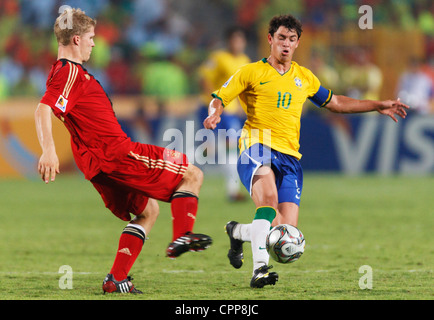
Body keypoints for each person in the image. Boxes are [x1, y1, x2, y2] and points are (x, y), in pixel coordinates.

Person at [203, 14, 409, 288]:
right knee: (268, 199)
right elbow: (219, 98)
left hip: (290, 157)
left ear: (298, 43)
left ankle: (238, 232)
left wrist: (376, 105)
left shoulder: (304, 77)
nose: (285, 44)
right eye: (280, 38)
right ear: (270, 40)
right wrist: (214, 115)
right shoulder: (250, 72)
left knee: (283, 233)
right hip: (257, 144)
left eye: (291, 39)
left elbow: (335, 102)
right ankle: (259, 270)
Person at [35, 8, 212, 294]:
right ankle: (183, 236)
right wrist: (48, 150)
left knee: (148, 211)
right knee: (192, 174)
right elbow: (44, 108)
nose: (94, 43)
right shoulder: (68, 71)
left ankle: (115, 280)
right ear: (76, 39)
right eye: (91, 37)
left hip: (97, 164)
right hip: (118, 154)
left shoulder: (68, 73)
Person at [197, 26, 251, 201]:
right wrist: (213, 102)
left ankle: (184, 160)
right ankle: (232, 191)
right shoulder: (218, 58)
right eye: (235, 40)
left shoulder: (245, 60)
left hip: (232, 112)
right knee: (229, 147)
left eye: (240, 40)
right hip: (218, 109)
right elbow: (204, 78)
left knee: (220, 149)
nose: (238, 43)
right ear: (229, 41)